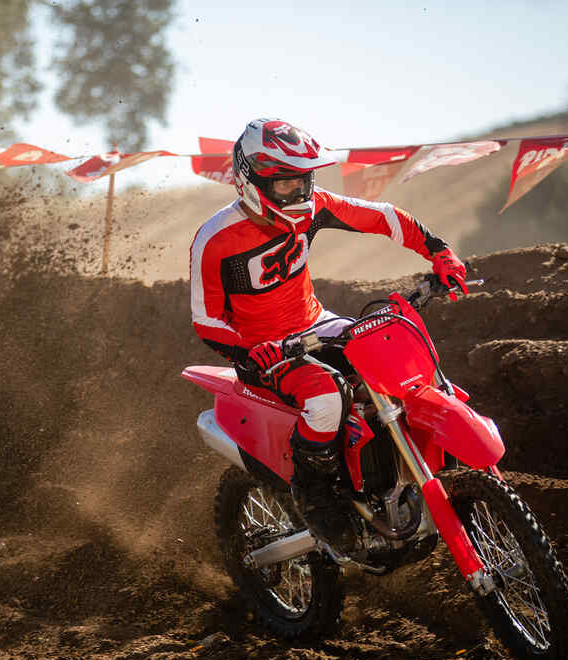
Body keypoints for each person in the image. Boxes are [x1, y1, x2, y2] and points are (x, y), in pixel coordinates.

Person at [190, 118, 468, 546]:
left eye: (304, 180)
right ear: (251, 180)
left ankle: (399, 470)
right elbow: (206, 320)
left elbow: (385, 219)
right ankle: (316, 496)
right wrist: (249, 353)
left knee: (392, 360)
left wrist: (439, 252)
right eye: (285, 184)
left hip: (316, 321)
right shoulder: (215, 239)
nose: (299, 193)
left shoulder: (315, 204)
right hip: (265, 349)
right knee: (325, 398)